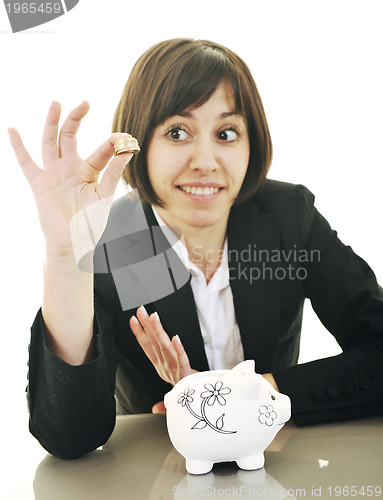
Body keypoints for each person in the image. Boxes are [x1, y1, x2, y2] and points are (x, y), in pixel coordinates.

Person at [9, 38, 383, 459]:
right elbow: (70, 437)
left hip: (274, 460)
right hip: (158, 473)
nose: (205, 160)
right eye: (177, 132)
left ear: (251, 143)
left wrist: (258, 392)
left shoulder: (287, 216)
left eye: (226, 133)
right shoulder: (110, 238)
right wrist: (65, 255)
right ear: (139, 145)